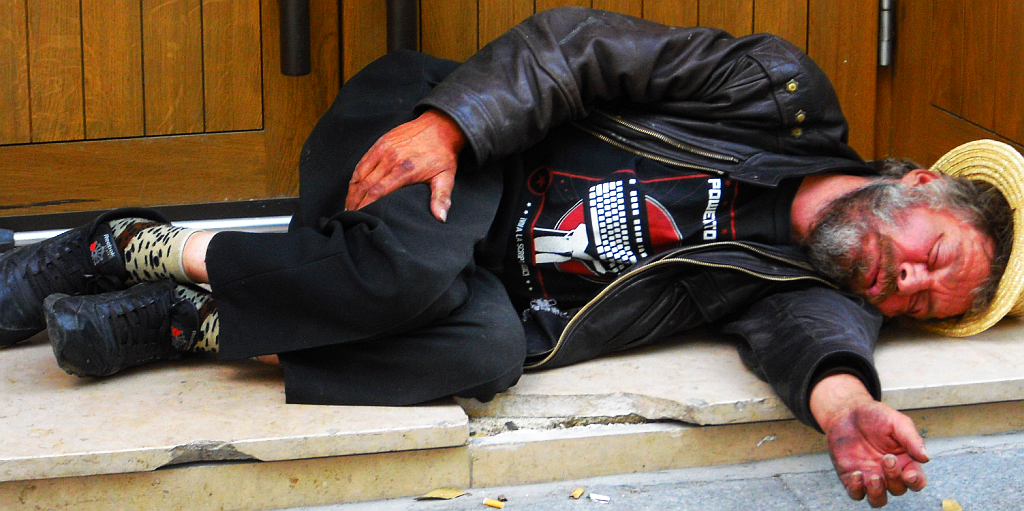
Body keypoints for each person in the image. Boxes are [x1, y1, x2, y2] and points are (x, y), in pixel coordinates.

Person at [0, 7, 1020, 508]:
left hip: (473, 285)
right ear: (919, 182)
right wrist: (450, 124)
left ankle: (182, 317)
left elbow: (817, 343)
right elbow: (575, 49)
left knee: (486, 356)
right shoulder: (774, 91)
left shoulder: (817, 289)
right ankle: (124, 244)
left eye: (929, 304)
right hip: (433, 160)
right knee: (403, 274)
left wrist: (848, 410)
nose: (910, 284)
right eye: (935, 256)